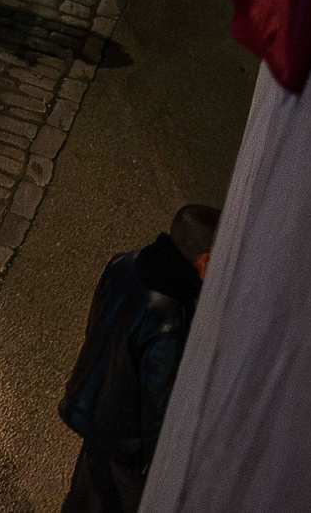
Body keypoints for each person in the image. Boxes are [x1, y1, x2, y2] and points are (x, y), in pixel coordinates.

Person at [57, 205, 222, 512]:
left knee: (84, 500)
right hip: (126, 443)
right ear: (205, 259)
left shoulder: (123, 263)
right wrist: (162, 466)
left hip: (94, 408)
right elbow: (158, 403)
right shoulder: (169, 318)